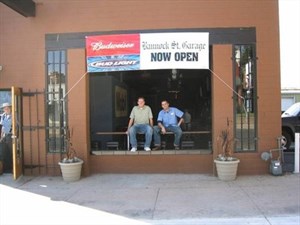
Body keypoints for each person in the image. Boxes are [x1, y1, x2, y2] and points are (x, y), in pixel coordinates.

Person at [0, 102, 13, 174]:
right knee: (2, 152)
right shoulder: (3, 116)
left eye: (7, 108)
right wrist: (1, 137)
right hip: (4, 136)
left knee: (12, 153)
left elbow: (17, 126)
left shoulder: (13, 115)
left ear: (10, 108)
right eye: (5, 108)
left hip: (11, 136)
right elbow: (3, 127)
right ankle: (2, 169)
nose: (6, 109)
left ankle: (14, 170)